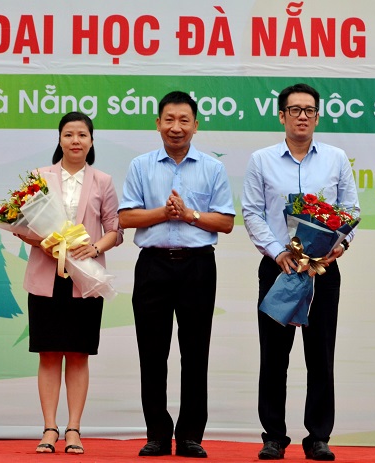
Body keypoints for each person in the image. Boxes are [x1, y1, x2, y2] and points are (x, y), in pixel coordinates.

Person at [241, 83, 360, 461]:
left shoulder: (336, 159)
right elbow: (252, 212)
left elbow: (351, 211)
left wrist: (340, 246)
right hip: (279, 268)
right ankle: (274, 437)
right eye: (294, 110)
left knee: (320, 356)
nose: (302, 116)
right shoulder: (262, 160)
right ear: (282, 116)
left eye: (309, 110)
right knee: (274, 357)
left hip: (321, 271)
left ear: (318, 117)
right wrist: (277, 252)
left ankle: (318, 437)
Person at [118, 91, 235, 458]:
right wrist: (165, 213)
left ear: (196, 125)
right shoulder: (141, 166)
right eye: (169, 119)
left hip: (198, 266)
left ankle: (190, 436)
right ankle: (156, 433)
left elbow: (226, 222)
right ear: (158, 124)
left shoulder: (212, 168)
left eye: (184, 120)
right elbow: (126, 217)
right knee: (152, 353)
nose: (176, 127)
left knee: (195, 353)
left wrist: (189, 215)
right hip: (153, 266)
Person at [16, 111, 123, 454]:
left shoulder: (103, 181)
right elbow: (21, 226)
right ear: (59, 139)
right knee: (48, 354)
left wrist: (95, 247)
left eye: (82, 135)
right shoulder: (40, 178)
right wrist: (44, 242)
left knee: (78, 355)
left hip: (85, 279)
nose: (75, 140)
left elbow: (115, 230)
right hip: (46, 277)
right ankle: (49, 428)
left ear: (91, 141)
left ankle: (74, 429)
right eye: (69, 134)